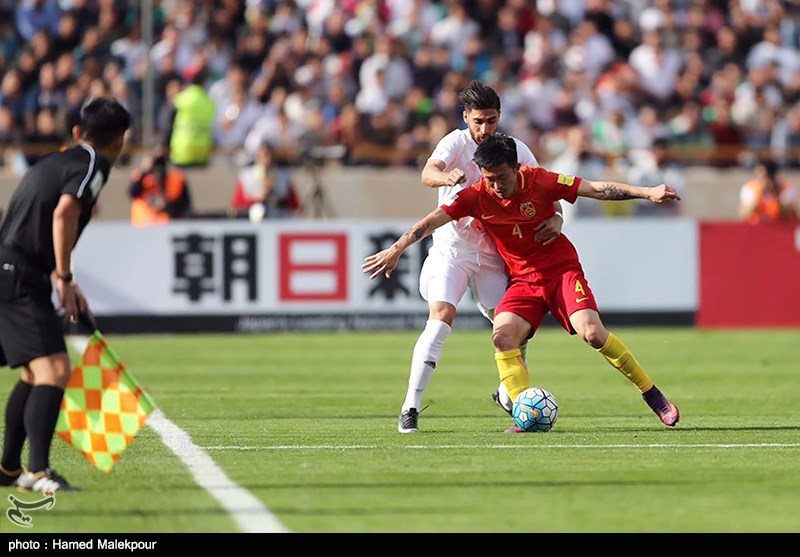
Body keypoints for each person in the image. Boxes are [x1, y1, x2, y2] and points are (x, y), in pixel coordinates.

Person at [364, 134, 681, 432]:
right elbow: (431, 221)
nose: (496, 185)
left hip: (560, 272)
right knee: (501, 337)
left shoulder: (541, 181)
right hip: (522, 282)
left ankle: (653, 395)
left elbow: (597, 189)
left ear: (517, 168)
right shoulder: (477, 196)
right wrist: (396, 249)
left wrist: (647, 192)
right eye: (488, 178)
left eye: (502, 177)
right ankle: (521, 412)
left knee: (593, 333)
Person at [395, 80, 563, 433]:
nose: (485, 129)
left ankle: (509, 393)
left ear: (499, 117)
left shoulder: (513, 149)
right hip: (452, 248)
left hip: (492, 253)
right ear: (465, 118)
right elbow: (427, 173)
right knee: (441, 317)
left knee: (514, 328)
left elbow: (546, 190)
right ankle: (410, 405)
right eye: (478, 121)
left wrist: (557, 218)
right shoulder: (455, 142)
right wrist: (445, 176)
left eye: (491, 120)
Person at [0, 97, 131, 490]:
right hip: (21, 272)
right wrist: (65, 276)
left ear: (77, 133)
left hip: (13, 268)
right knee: (55, 369)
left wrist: (59, 278)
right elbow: (63, 213)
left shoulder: (55, 160)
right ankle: (37, 472)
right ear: (121, 141)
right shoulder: (94, 163)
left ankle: (7, 469)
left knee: (33, 371)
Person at [129, 149, 192, 226]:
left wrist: (169, 207)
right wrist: (145, 170)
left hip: (166, 227)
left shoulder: (176, 179)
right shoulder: (141, 177)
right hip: (143, 226)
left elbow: (185, 206)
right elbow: (132, 193)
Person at [739, 157, 798, 223]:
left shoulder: (786, 187)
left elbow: (787, 214)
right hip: (757, 227)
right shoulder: (750, 187)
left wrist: (776, 194)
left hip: (780, 226)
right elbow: (744, 214)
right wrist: (760, 194)